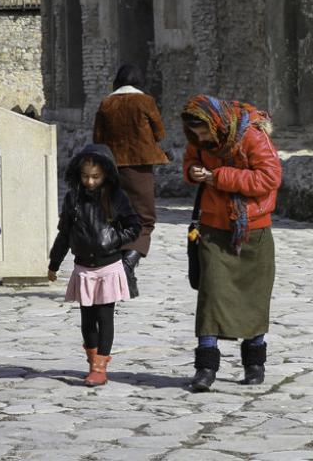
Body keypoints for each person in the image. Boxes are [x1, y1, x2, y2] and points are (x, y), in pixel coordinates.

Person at [181, 94, 282, 392]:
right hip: (214, 227)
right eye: (195, 134)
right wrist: (193, 173)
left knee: (254, 299)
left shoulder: (252, 136)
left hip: (252, 230)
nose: (200, 139)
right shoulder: (199, 140)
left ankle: (254, 363)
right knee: (211, 297)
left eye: (203, 132)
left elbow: (269, 177)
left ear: (217, 123)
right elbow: (190, 162)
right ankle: (206, 368)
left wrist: (219, 177)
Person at [48, 144, 141, 387]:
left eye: (95, 177)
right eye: (85, 176)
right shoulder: (73, 199)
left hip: (108, 266)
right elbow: (64, 233)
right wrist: (54, 262)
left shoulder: (117, 198)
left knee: (105, 317)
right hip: (83, 268)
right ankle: (91, 362)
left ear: (106, 174)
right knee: (87, 319)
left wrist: (114, 239)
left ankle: (100, 368)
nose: (90, 181)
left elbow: (134, 227)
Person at [92, 64, 168, 298]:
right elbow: (160, 133)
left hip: (111, 168)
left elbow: (97, 138)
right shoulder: (145, 102)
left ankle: (121, 272)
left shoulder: (106, 103)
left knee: (116, 219)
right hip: (139, 167)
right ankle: (129, 263)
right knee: (145, 219)